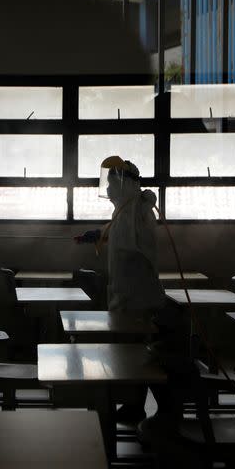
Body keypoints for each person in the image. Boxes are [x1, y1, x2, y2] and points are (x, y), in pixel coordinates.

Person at [75, 155, 168, 421]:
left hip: (137, 295)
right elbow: (119, 233)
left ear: (125, 184)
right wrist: (100, 233)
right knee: (133, 352)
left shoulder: (137, 212)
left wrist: (106, 235)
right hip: (127, 293)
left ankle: (155, 408)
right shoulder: (127, 210)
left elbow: (130, 244)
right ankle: (135, 405)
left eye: (112, 184)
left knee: (139, 353)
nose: (107, 189)